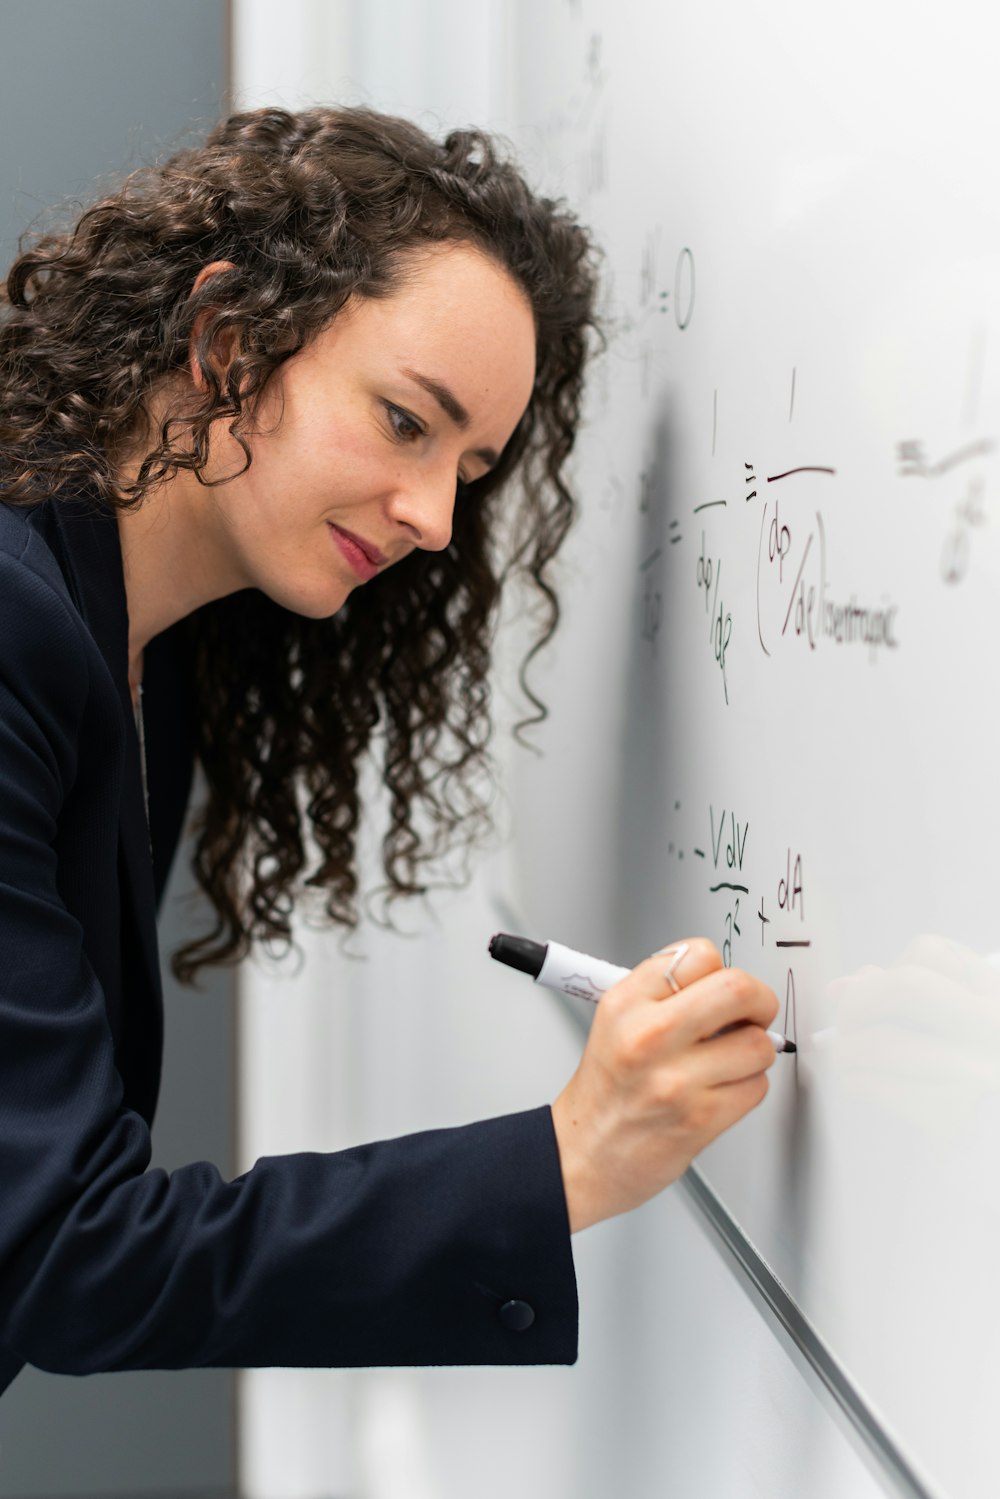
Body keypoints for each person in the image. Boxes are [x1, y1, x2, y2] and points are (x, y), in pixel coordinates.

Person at [0, 104, 778, 1389]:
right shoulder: (19, 632)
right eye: (407, 421)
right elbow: (65, 1260)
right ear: (226, 340)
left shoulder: (148, 644)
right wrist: (571, 1154)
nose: (431, 519)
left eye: (470, 470)